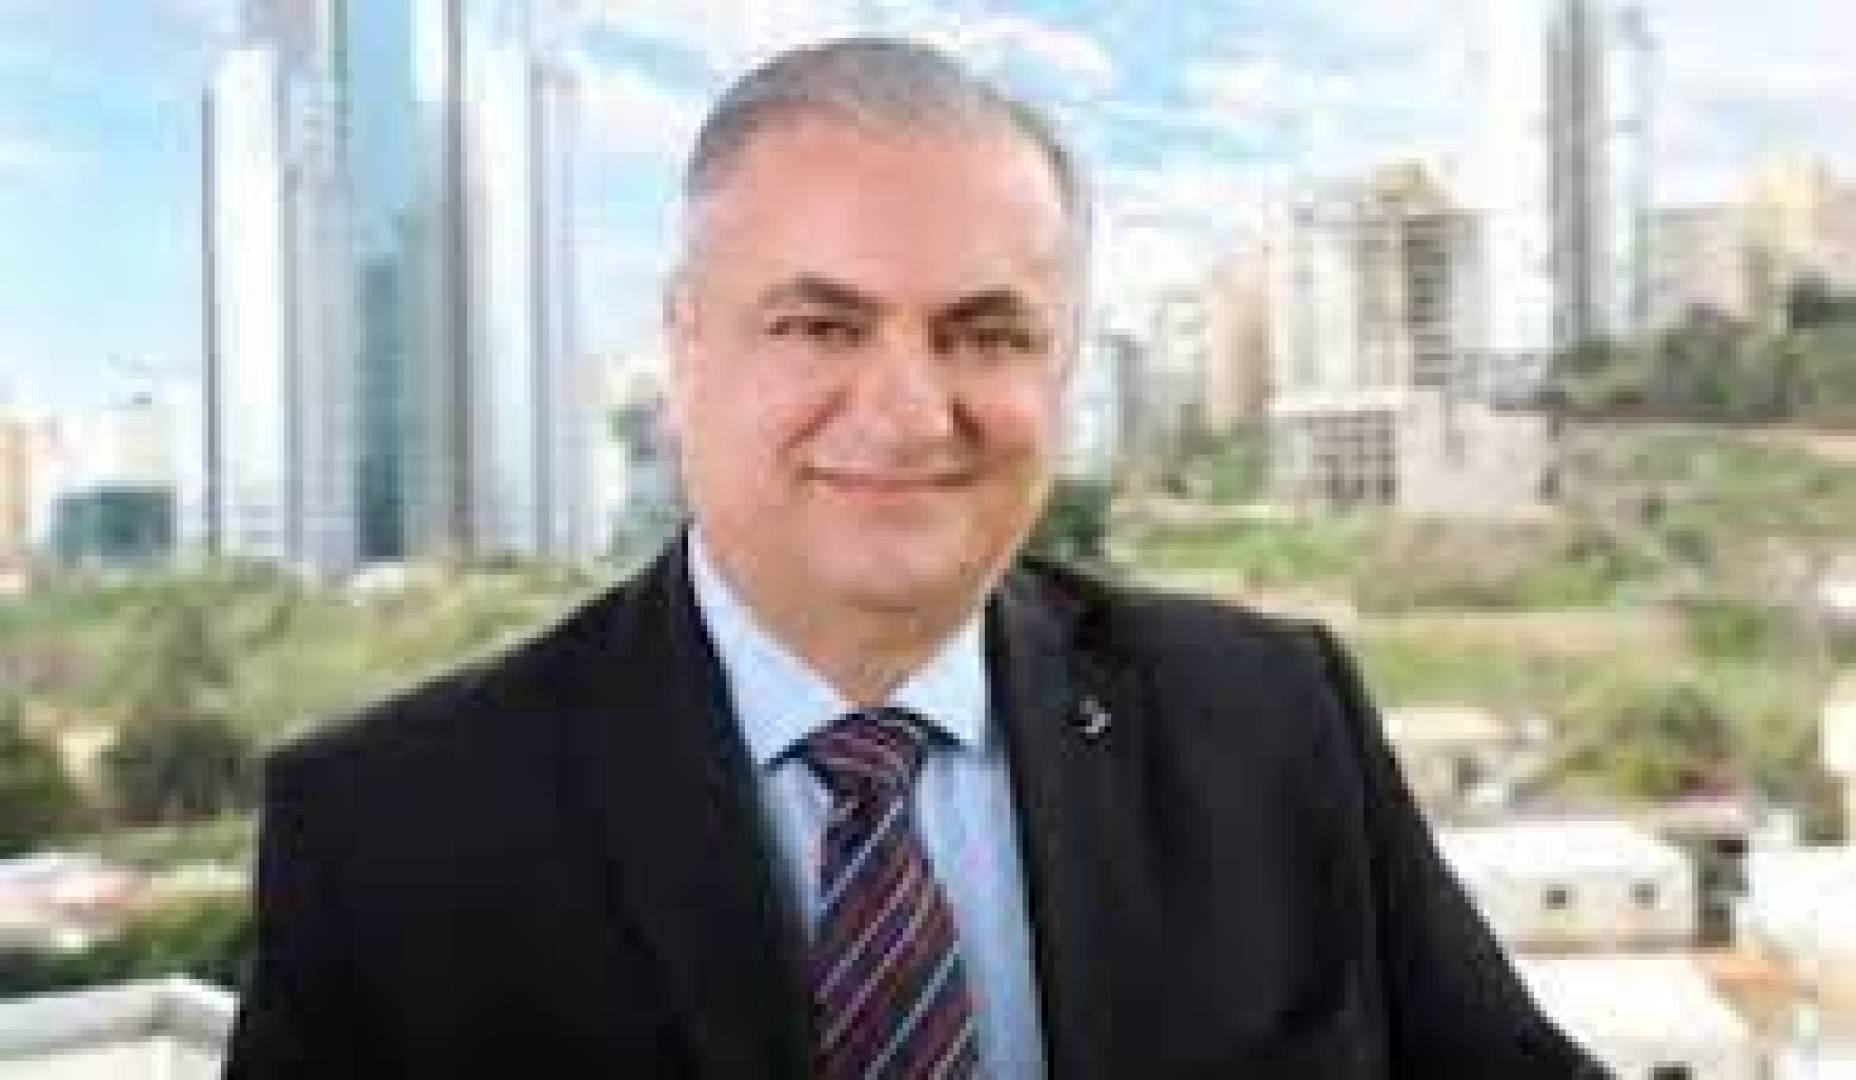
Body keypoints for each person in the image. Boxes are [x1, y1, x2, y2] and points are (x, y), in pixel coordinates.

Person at [225, 36, 1610, 1080]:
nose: (908, 411)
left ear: (1058, 367)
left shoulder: (1273, 723)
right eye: (821, 327)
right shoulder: (389, 833)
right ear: (685, 347)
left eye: (985, 334)